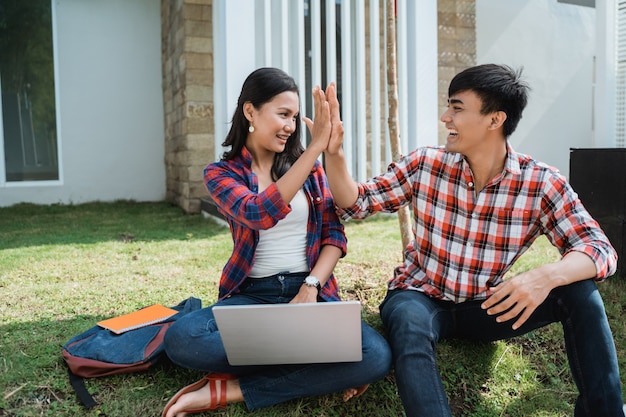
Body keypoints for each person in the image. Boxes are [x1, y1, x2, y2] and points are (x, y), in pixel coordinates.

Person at [323, 63, 624, 417]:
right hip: (419, 295)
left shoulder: (540, 182)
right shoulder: (426, 164)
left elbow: (599, 249)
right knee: (407, 322)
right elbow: (356, 202)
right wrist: (334, 153)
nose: (445, 117)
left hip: (485, 306)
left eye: (456, 107)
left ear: (494, 120)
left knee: (580, 293)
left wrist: (544, 276)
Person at [161, 67, 392, 417]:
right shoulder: (221, 174)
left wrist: (312, 286)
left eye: (295, 117)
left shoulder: (311, 172)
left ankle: (231, 389)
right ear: (250, 111)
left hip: (308, 291)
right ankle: (321, 368)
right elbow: (259, 212)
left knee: (375, 355)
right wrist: (315, 148)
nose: (291, 125)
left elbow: (334, 235)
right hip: (253, 296)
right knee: (183, 339)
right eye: (283, 114)